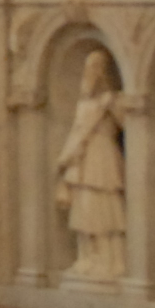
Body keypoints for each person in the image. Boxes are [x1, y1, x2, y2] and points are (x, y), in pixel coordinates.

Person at [54, 48, 129, 280]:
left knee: (104, 209)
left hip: (103, 157)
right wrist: (64, 159)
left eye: (96, 67)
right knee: (84, 210)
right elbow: (76, 132)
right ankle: (87, 257)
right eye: (89, 68)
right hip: (82, 160)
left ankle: (111, 260)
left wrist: (112, 105)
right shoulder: (83, 104)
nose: (91, 73)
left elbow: (128, 125)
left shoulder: (111, 100)